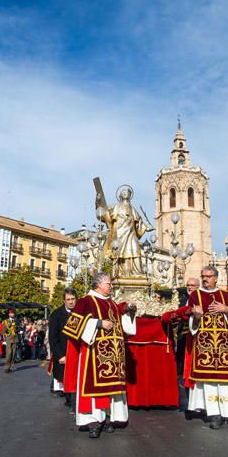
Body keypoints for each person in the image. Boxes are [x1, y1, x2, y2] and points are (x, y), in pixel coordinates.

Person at [62, 272, 136, 438]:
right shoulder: (85, 301)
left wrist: (129, 312)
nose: (111, 286)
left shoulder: (111, 303)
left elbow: (124, 325)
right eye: (108, 283)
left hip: (114, 356)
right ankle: (94, 421)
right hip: (94, 354)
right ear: (99, 284)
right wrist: (98, 323)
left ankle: (109, 417)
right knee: (96, 391)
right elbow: (72, 325)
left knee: (111, 390)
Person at [186, 266, 228, 429]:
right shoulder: (195, 296)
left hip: (223, 344)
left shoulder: (227, 296)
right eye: (203, 276)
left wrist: (226, 310)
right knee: (209, 380)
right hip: (205, 344)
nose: (205, 279)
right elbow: (192, 326)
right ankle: (213, 414)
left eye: (209, 276)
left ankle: (226, 413)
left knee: (225, 380)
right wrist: (197, 317)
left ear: (216, 278)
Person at [97, 185, 151, 277]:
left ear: (130, 196)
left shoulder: (132, 208)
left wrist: (146, 227)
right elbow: (102, 214)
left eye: (127, 192)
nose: (125, 193)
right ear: (120, 196)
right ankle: (121, 273)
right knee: (120, 254)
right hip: (119, 235)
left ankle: (137, 273)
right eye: (123, 192)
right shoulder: (115, 207)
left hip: (131, 234)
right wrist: (98, 201)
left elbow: (139, 221)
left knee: (136, 251)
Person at [48, 288, 77, 406]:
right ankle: (71, 404)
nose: (71, 302)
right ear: (64, 300)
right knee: (67, 381)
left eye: (73, 299)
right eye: (68, 299)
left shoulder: (81, 312)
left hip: (78, 353)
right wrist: (60, 355)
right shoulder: (56, 315)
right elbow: (53, 338)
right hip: (63, 354)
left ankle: (75, 404)